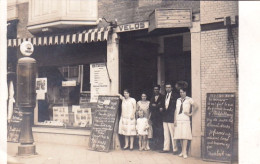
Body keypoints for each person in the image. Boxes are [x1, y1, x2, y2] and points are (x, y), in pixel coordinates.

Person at [174, 87, 198, 159]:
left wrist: (191, 114)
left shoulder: (189, 99)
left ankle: (185, 152)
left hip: (185, 119)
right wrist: (175, 120)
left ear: (185, 92)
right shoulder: (178, 100)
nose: (182, 93)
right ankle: (182, 151)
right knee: (180, 136)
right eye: (180, 92)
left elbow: (196, 106)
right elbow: (176, 110)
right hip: (179, 119)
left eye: (183, 92)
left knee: (185, 136)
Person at [160, 82, 178, 154]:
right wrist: (161, 108)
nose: (167, 88)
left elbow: (175, 107)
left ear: (172, 88)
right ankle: (166, 148)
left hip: (171, 117)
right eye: (166, 87)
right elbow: (162, 105)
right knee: (166, 133)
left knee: (173, 133)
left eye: (169, 87)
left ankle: (175, 149)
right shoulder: (164, 96)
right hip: (165, 117)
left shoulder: (175, 96)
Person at [149, 85, 164, 150]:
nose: (156, 90)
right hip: (154, 117)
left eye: (157, 89)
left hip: (160, 117)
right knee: (154, 131)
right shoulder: (152, 97)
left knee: (160, 131)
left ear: (159, 90)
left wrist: (156, 105)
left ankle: (160, 146)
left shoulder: (162, 97)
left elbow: (162, 106)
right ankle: (155, 146)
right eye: (155, 89)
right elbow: (150, 106)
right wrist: (158, 106)